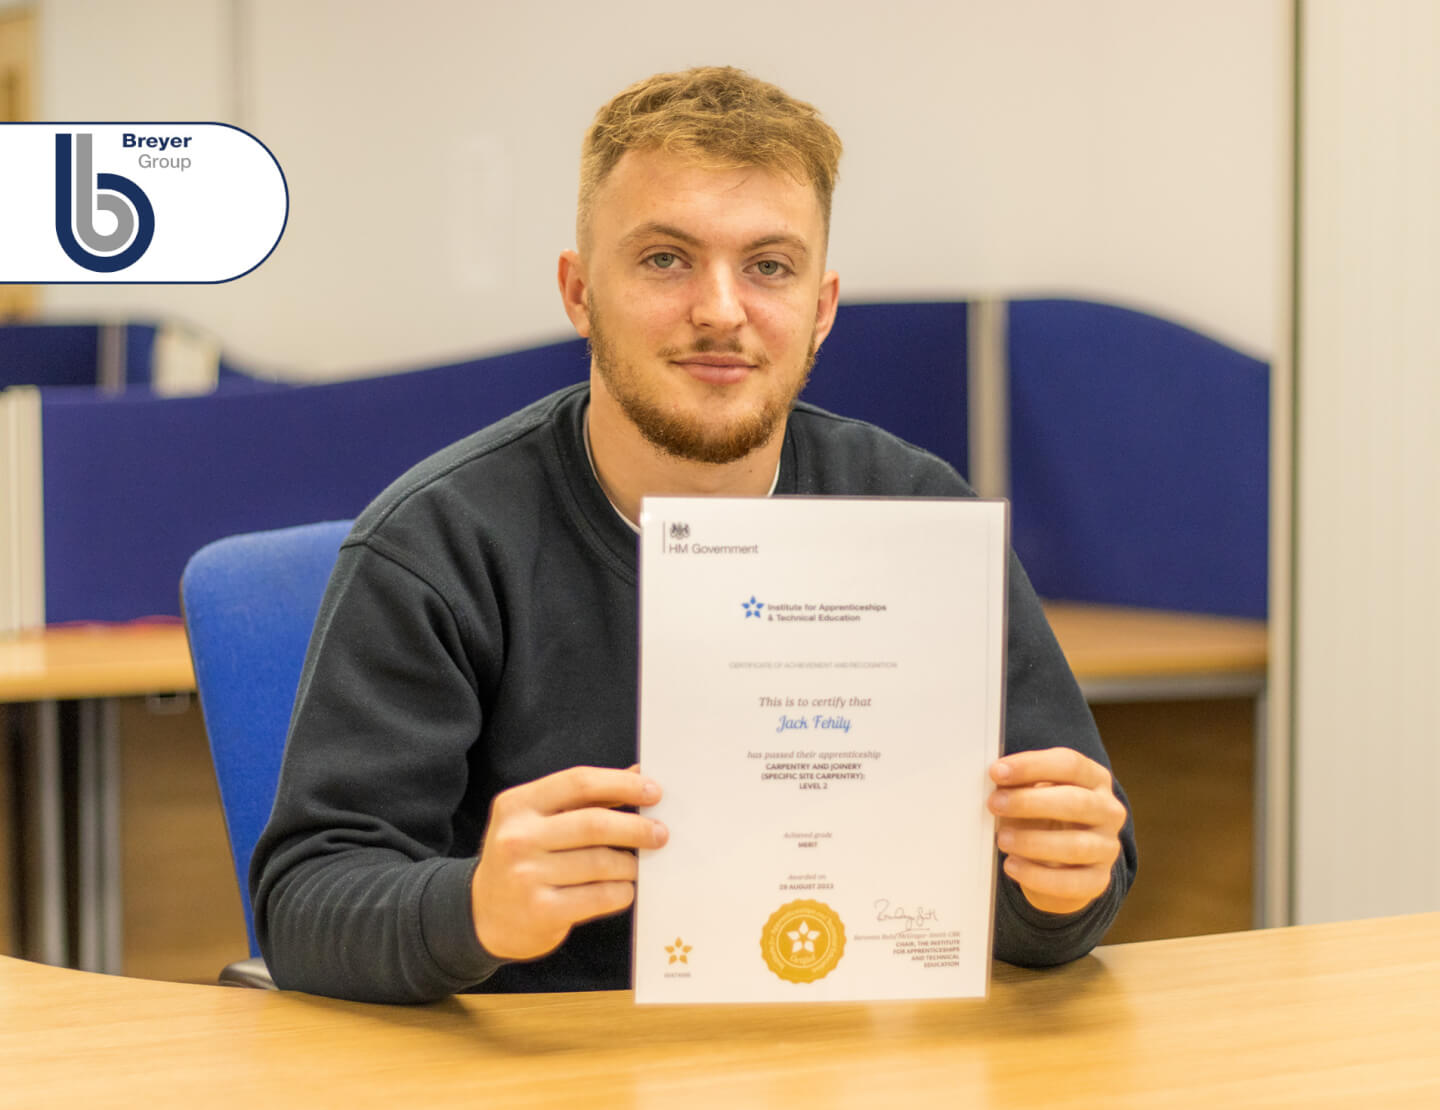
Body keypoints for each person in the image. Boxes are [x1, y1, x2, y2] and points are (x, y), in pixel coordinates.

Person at [251, 66, 1137, 1004]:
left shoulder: (920, 522)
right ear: (579, 291)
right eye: (666, 259)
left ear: (822, 309)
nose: (721, 310)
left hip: (845, 1067)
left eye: (769, 266)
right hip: (545, 1077)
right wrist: (469, 907)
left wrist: (1058, 889)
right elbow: (306, 905)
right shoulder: (440, 547)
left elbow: (1071, 898)